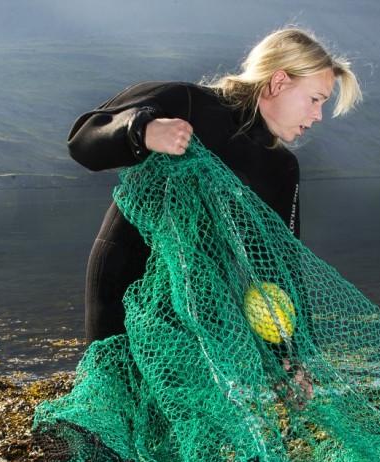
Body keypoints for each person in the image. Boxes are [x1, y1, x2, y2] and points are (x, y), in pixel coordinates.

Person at [68, 26, 360, 342]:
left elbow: (279, 271)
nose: (318, 115)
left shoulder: (281, 168)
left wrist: (293, 353)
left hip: (201, 303)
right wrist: (143, 130)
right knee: (119, 383)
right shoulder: (188, 104)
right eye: (315, 100)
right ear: (279, 82)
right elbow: (83, 141)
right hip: (124, 280)